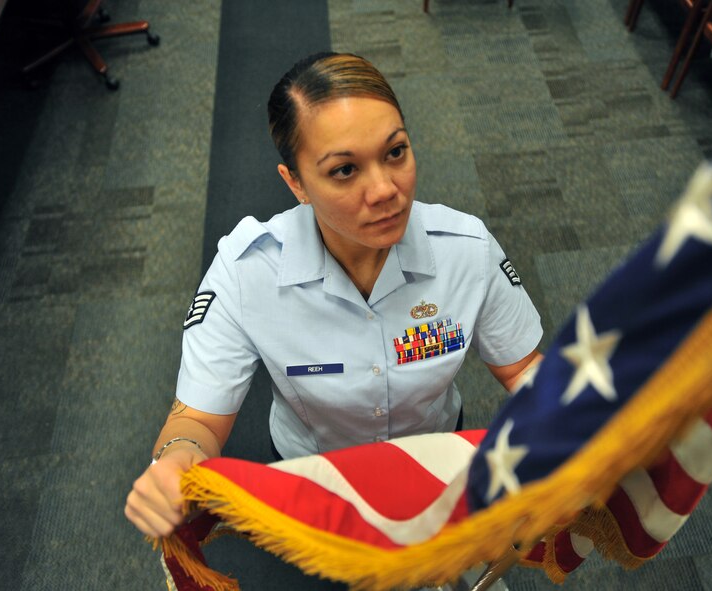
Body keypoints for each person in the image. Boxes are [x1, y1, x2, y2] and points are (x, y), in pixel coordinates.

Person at [125, 52, 543, 540]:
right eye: (345, 170)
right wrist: (175, 458)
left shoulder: (466, 249)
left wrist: (577, 413)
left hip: (435, 462)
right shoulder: (246, 273)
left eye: (395, 152)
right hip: (319, 478)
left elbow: (520, 368)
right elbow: (197, 421)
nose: (385, 190)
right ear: (296, 183)